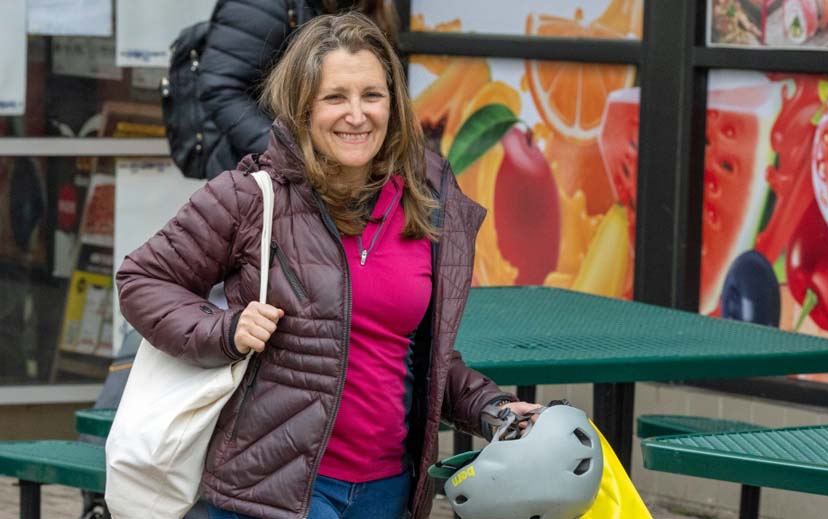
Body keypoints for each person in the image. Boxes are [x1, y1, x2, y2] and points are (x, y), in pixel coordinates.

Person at [117, 12, 539, 519]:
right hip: (276, 492)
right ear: (302, 106)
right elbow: (142, 279)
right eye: (335, 97)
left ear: (394, 106)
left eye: (372, 96)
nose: (356, 115)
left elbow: (420, 357)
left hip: (389, 491)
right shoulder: (253, 196)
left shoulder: (426, 206)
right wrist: (222, 331)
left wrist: (492, 409)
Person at [197, 0, 398, 179]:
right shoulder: (261, 6)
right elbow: (222, 88)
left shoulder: (372, 7)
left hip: (341, 180)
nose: (357, 117)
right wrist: (294, 157)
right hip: (265, 180)